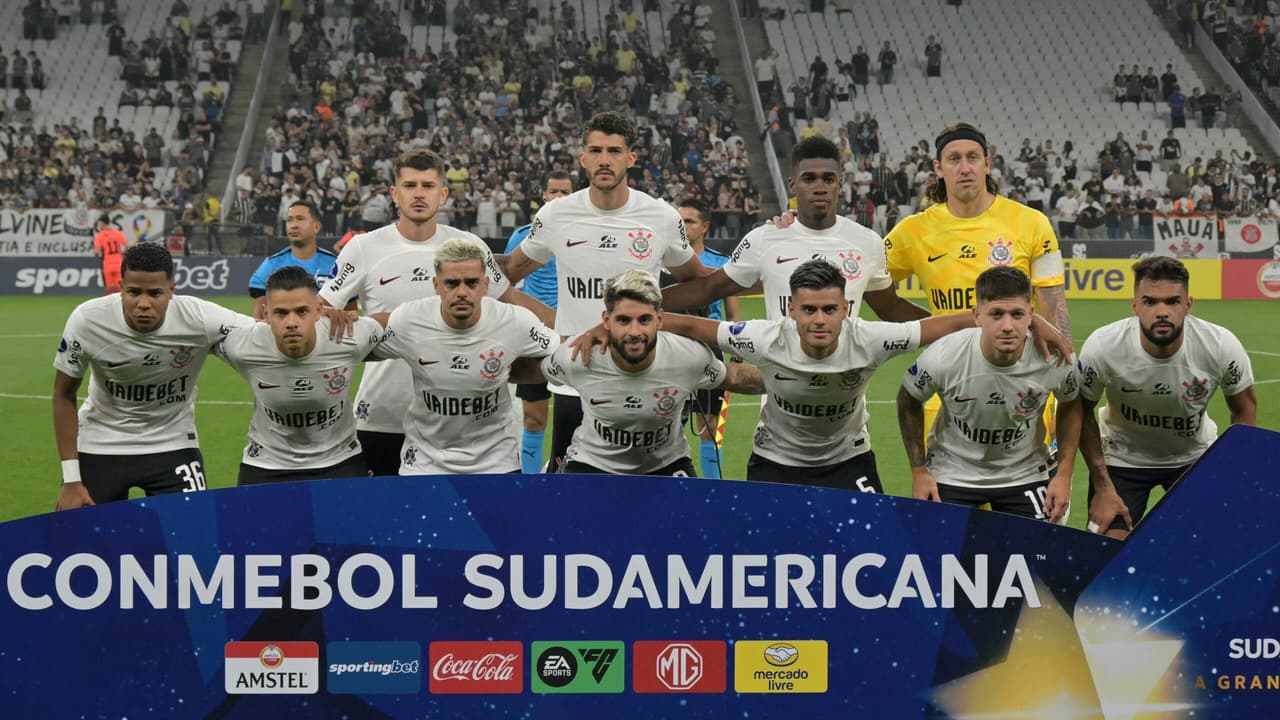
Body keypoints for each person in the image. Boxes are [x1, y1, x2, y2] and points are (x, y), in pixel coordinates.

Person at [641, 259, 1069, 491]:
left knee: (871, 557)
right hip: (775, 464)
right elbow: (695, 326)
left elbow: (951, 323)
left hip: (849, 463)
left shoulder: (871, 339)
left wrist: (1033, 322)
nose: (820, 320)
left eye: (830, 309)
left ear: (846, 309)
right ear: (791, 310)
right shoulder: (763, 337)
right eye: (809, 310)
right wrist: (636, 319)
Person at [501, 111, 712, 473]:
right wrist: (549, 318)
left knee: (652, 490)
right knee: (574, 502)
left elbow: (698, 280)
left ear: (631, 158)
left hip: (643, 375)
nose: (604, 159)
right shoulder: (556, 215)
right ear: (582, 157)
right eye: (595, 150)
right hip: (576, 380)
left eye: (614, 150)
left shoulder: (659, 216)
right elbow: (507, 274)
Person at [320, 148, 550, 477]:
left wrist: (573, 330)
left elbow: (510, 298)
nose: (418, 194)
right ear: (394, 194)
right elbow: (324, 309)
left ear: (442, 194)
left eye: (428, 186)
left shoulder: (468, 246)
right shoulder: (364, 247)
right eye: (410, 185)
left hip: (457, 425)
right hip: (382, 415)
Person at [51, 244, 255, 510]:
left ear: (171, 290)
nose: (144, 304)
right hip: (101, 442)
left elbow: (262, 335)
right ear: (120, 286)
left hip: (173, 441)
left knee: (194, 534)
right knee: (85, 544)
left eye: (155, 293)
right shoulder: (88, 320)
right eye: (134, 292)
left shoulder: (199, 317)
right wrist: (70, 480)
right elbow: (63, 394)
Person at [1078, 257, 1256, 539]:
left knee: (1210, 549)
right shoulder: (1103, 346)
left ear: (1188, 304)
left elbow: (1245, 410)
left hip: (1194, 458)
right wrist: (1102, 486)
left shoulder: (1220, 344)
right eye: (1150, 302)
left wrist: (1231, 475)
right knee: (1106, 554)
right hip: (1122, 459)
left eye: (1172, 302)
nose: (1162, 311)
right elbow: (1080, 411)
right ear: (1134, 305)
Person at [662, 136, 926, 326]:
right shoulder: (764, 238)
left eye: (829, 179)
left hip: (847, 398)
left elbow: (891, 308)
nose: (820, 186)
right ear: (792, 185)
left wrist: (959, 327)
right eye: (809, 179)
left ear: (840, 184)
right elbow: (708, 289)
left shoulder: (867, 242)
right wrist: (638, 304)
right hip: (779, 397)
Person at [897, 267, 1082, 522]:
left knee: (1039, 556)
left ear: (1031, 315)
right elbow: (908, 400)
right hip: (953, 470)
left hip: (1024, 472)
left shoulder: (1055, 359)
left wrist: (1063, 475)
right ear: (977, 316)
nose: (1007, 326)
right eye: (996, 314)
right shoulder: (944, 356)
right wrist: (919, 471)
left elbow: (1071, 404)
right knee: (938, 555)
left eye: (1017, 314)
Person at [536, 270, 761, 476]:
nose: (635, 332)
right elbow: (535, 372)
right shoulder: (579, 356)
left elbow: (735, 378)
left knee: (692, 520)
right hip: (592, 463)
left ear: (660, 319)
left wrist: (789, 382)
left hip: (667, 465)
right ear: (606, 320)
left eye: (644, 320)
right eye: (623, 320)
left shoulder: (688, 357)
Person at [372, 237, 561, 475]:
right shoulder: (409, 320)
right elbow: (359, 348)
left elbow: (563, 353)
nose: (462, 292)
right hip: (425, 465)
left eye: (471, 283)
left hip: (496, 464)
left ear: (485, 284)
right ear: (436, 285)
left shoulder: (515, 321)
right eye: (452, 283)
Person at [218, 265, 383, 485]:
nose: (292, 323)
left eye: (302, 311)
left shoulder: (348, 336)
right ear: (266, 314)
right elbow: (199, 335)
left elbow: (395, 321)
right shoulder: (243, 346)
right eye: (281, 313)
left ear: (319, 309)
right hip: (266, 465)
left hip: (341, 461)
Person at [503, 170, 574, 473]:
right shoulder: (522, 236)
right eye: (553, 191)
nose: (558, 198)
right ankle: (531, 486)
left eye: (565, 192)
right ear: (543, 195)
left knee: (575, 420)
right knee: (534, 418)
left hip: (574, 338)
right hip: (534, 337)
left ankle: (568, 479)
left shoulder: (582, 235)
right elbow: (502, 284)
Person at [671, 197, 739, 479]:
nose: (683, 227)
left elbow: (733, 313)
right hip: (673, 347)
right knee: (669, 417)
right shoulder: (665, 262)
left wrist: (736, 348)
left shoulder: (722, 264)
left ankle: (712, 488)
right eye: (679, 222)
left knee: (709, 422)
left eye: (689, 221)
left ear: (705, 226)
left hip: (712, 346)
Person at [247, 201, 340, 320]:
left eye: (300, 219)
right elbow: (259, 319)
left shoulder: (335, 265)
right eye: (289, 220)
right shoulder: (270, 265)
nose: (293, 225)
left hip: (327, 337)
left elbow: (349, 313)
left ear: (316, 226)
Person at [92, 213, 129, 294]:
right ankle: (121, 305)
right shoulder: (118, 233)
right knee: (120, 288)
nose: (99, 225)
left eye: (99, 223)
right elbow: (127, 246)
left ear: (102, 223)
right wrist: (122, 253)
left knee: (109, 289)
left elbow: (97, 252)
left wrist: (95, 252)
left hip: (108, 264)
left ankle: (110, 305)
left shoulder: (100, 235)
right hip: (119, 263)